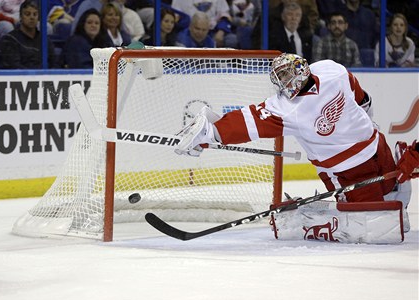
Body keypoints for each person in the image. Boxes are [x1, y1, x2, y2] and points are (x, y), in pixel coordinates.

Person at [173, 53, 418, 233]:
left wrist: (364, 108)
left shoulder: (330, 69)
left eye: (288, 74)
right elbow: (247, 121)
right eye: (280, 78)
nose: (284, 82)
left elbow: (356, 91)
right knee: (376, 225)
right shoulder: (283, 108)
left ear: (302, 68)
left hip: (377, 147)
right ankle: (315, 219)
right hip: (347, 172)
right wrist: (211, 132)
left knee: (396, 194)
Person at [0, 0, 42, 68]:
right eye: (27, 14)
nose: (32, 17)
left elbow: (53, 64)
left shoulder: (44, 40)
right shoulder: (10, 39)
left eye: (35, 14)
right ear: (20, 16)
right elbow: (13, 66)